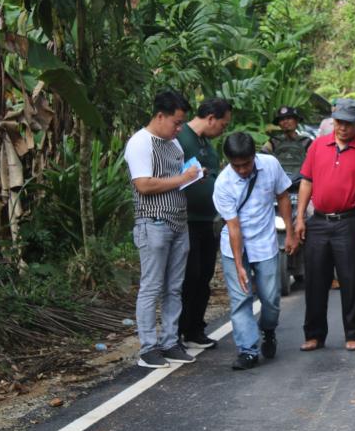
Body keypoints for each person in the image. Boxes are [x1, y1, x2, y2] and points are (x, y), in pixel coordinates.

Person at [295, 99, 355, 352]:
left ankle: (352, 334)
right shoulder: (318, 146)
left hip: (350, 223)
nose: (342, 127)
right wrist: (300, 217)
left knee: (351, 280)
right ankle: (314, 335)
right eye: (339, 122)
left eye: (348, 123)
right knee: (315, 281)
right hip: (319, 222)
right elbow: (306, 182)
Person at [124, 90, 200, 369]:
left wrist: (192, 177)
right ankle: (148, 348)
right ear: (159, 116)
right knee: (152, 286)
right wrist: (182, 178)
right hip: (153, 222)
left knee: (174, 287)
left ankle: (170, 341)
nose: (179, 128)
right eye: (176, 123)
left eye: (181, 124)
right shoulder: (140, 142)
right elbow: (143, 184)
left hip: (179, 221)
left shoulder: (174, 144)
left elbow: (177, 178)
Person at [213, 132, 298, 370]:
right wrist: (239, 265)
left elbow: (282, 195)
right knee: (241, 299)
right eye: (236, 165)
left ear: (254, 156)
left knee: (271, 299)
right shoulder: (223, 183)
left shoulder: (270, 165)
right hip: (235, 246)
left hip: (265, 242)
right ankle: (248, 350)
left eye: (246, 164)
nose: (242, 170)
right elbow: (233, 227)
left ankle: (268, 330)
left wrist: (290, 232)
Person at [177, 98, 232, 349]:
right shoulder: (181, 137)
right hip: (185, 219)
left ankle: (195, 329)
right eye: (222, 124)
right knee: (190, 275)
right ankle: (179, 329)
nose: (223, 129)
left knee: (205, 275)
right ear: (211, 118)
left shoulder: (207, 144)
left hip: (207, 221)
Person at [262, 106, 313, 179]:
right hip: (278, 182)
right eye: (282, 119)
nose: (285, 121)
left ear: (296, 121)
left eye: (289, 118)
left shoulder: (306, 141)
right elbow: (262, 157)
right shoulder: (274, 141)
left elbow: (316, 161)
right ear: (279, 124)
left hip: (301, 182)